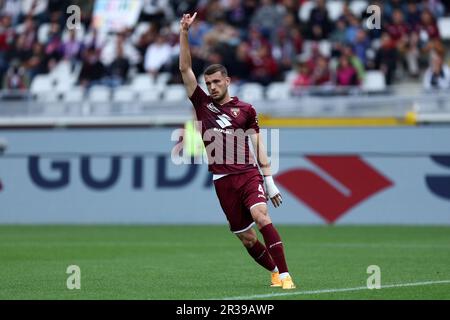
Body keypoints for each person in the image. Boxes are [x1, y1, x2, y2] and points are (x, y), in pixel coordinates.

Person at [179, 12, 296, 290]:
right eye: (208, 83)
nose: (212, 86)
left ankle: (287, 275)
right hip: (222, 180)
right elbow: (185, 70)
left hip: (247, 174)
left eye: (217, 82)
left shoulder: (245, 110)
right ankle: (274, 272)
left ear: (228, 81)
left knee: (261, 216)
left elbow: (257, 144)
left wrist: (269, 180)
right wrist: (184, 32)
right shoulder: (201, 104)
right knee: (246, 238)